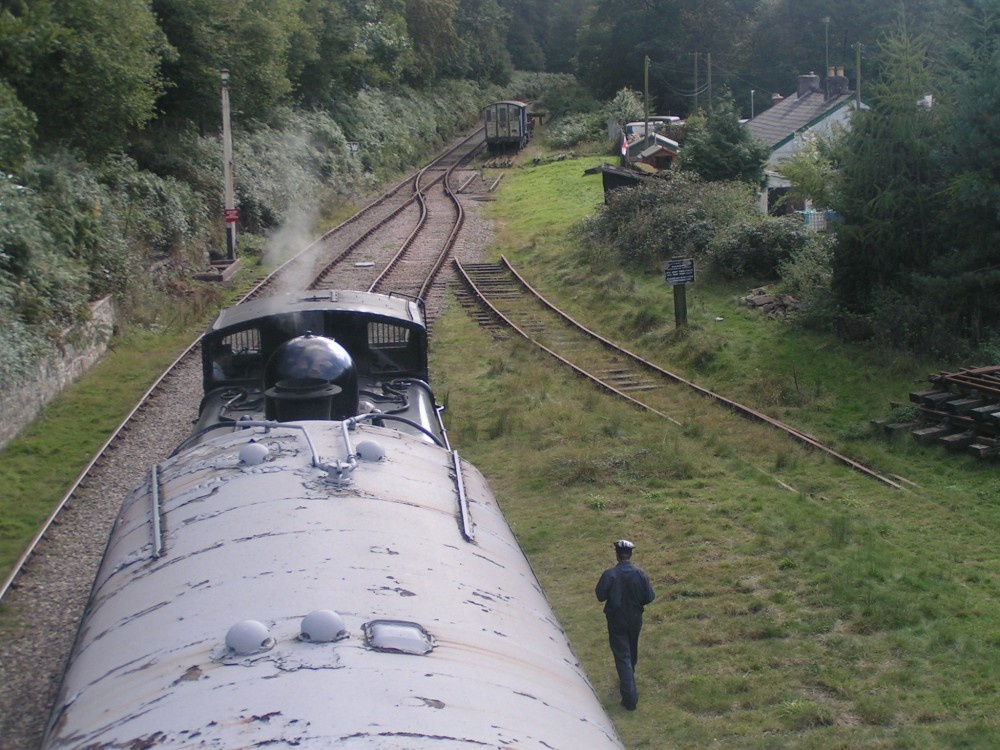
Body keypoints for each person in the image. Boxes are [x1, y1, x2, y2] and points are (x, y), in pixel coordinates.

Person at [595, 539, 655, 711]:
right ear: (631, 554)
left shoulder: (610, 574)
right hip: (635, 618)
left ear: (617, 554)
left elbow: (600, 595)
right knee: (632, 649)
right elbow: (649, 597)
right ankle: (629, 678)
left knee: (622, 655)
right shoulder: (640, 574)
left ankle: (630, 697)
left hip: (616, 619)